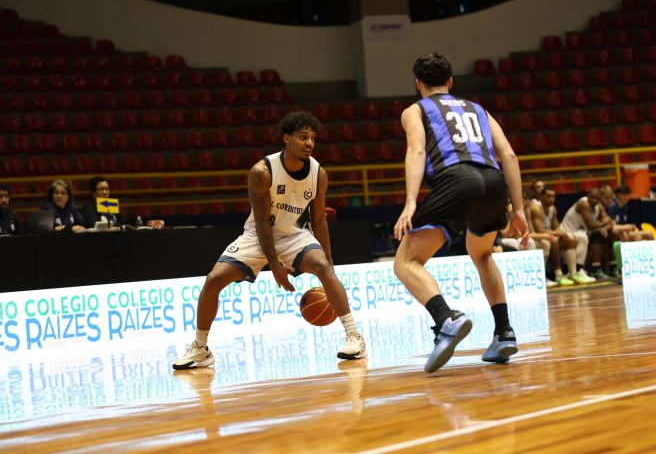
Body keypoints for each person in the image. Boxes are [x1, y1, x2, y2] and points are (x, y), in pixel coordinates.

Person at [172, 111, 367, 370]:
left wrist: (328, 262)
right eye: (303, 137)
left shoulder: (318, 174)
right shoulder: (262, 171)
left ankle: (354, 336)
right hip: (258, 235)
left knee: (322, 266)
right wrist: (274, 264)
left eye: (312, 138)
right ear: (286, 138)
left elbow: (319, 220)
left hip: (293, 235)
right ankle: (201, 349)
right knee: (213, 280)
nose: (309, 143)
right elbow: (263, 223)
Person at [392, 52, 529, 373]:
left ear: (418, 83)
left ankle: (446, 319)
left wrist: (410, 201)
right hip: (493, 183)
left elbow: (417, 150)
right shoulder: (478, 109)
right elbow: (509, 155)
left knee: (406, 262)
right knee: (482, 254)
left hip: (457, 180)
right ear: (450, 81)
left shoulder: (415, 110)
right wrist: (519, 208)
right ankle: (504, 332)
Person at [528, 186, 586, 285]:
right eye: (548, 196)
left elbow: (557, 227)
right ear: (542, 197)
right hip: (537, 237)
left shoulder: (553, 209)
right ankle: (558, 274)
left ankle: (572, 273)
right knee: (553, 241)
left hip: (548, 236)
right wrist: (559, 233)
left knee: (572, 240)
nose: (551, 199)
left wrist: (565, 233)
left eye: (553, 197)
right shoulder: (536, 208)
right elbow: (539, 230)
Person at [560, 188, 615, 279]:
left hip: (581, 232)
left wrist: (605, 227)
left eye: (596, 198)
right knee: (597, 234)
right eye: (592, 197)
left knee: (609, 233)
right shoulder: (584, 204)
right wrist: (605, 222)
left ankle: (612, 267)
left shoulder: (599, 207)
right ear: (587, 195)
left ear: (600, 199)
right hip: (568, 231)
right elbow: (591, 225)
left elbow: (610, 223)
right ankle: (594, 269)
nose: (594, 200)